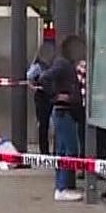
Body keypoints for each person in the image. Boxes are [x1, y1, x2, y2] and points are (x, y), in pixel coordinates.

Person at [40, 34, 86, 202]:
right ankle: (63, 187)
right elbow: (44, 78)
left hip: (62, 112)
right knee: (71, 150)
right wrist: (56, 95)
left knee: (62, 149)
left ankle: (62, 186)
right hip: (64, 111)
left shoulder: (64, 63)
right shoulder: (63, 64)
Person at [27, 41, 56, 154]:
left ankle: (51, 150)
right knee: (44, 124)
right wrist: (35, 87)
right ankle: (44, 151)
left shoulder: (52, 64)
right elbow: (28, 77)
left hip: (51, 96)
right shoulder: (38, 66)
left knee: (51, 124)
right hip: (42, 97)